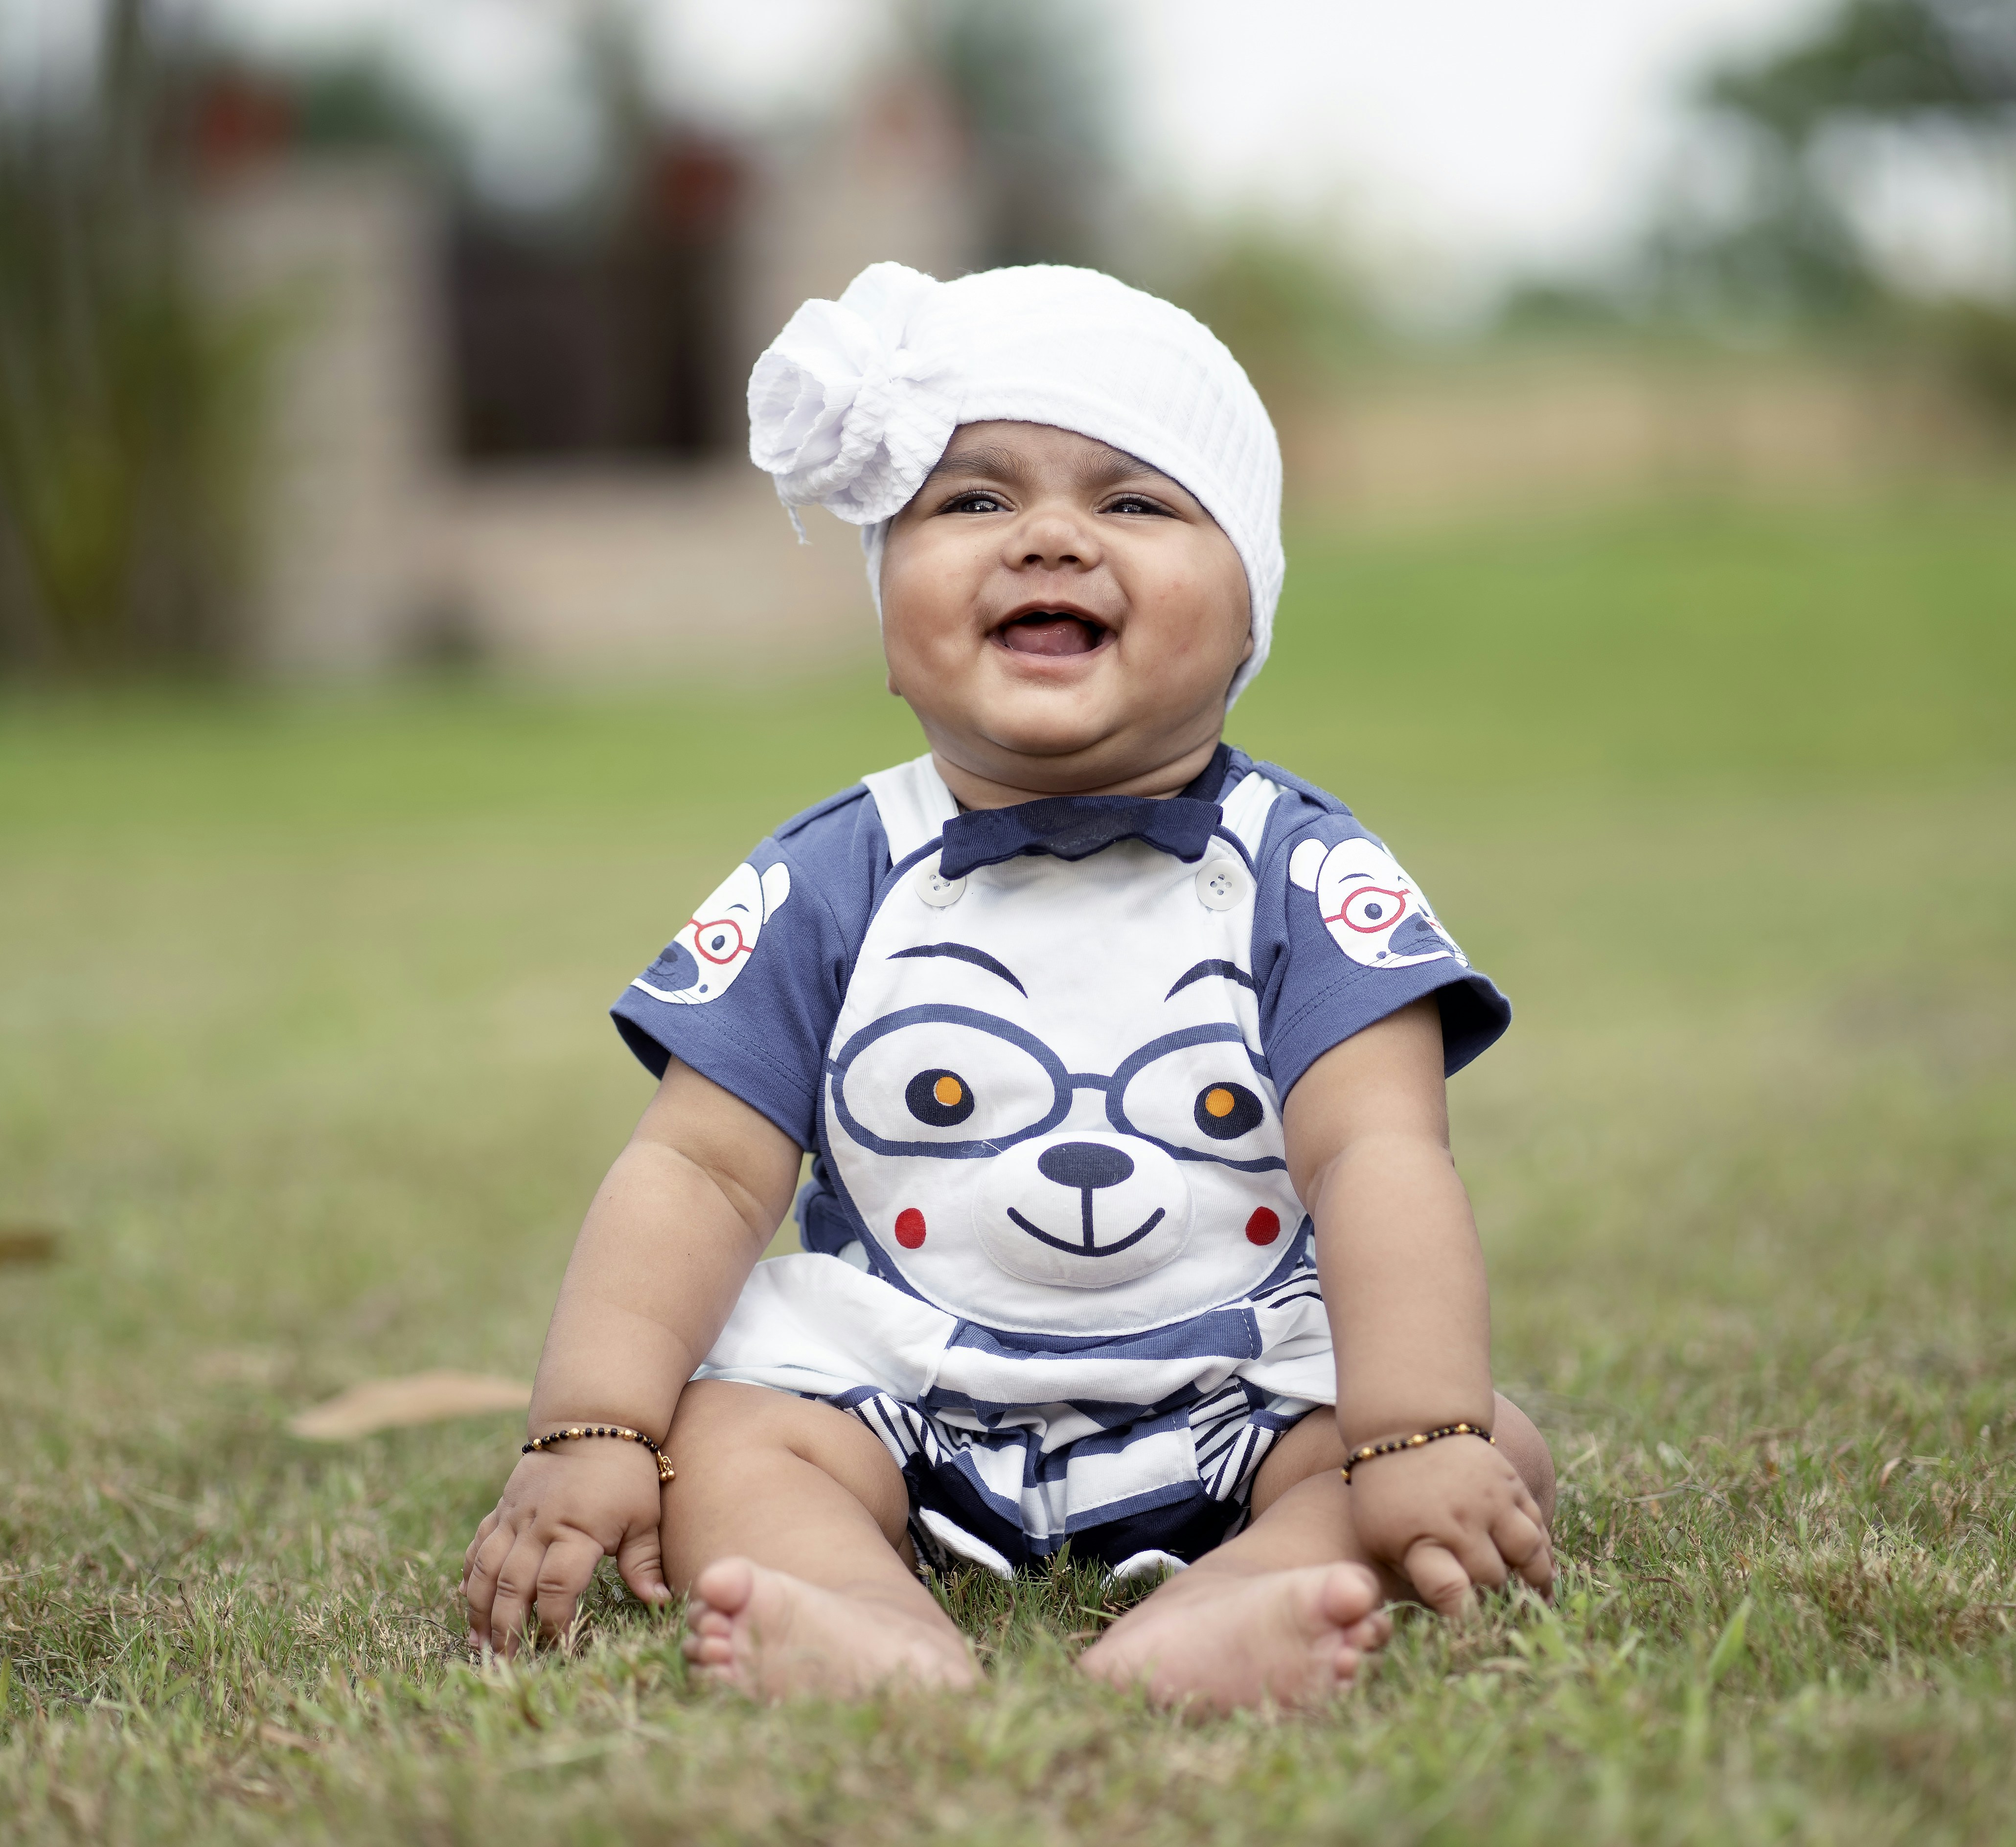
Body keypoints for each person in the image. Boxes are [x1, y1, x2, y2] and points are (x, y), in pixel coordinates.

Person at [460, 262, 1556, 1710]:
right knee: (722, 1438)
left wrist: (1418, 1435)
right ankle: (856, 1616)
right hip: (901, 1394)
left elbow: (1379, 1152)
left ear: (1249, 617)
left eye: (1136, 502)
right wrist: (588, 1425)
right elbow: (701, 1175)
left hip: (1239, 1382)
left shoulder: (1302, 870)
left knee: (1493, 1439)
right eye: (972, 502)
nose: (1049, 537)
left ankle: (1241, 1601)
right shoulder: (835, 872)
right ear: (888, 610)